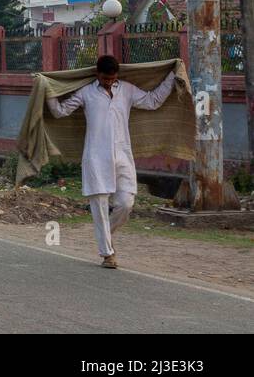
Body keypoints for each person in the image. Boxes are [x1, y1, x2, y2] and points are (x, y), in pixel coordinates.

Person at [46, 54, 179, 269]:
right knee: (98, 208)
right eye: (105, 78)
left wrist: (172, 76)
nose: (109, 82)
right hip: (95, 158)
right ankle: (108, 254)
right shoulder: (86, 92)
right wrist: (48, 89)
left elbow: (153, 101)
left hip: (123, 155)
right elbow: (60, 112)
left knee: (126, 204)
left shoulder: (126, 89)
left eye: (112, 78)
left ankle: (107, 235)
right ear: (97, 74)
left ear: (116, 76)